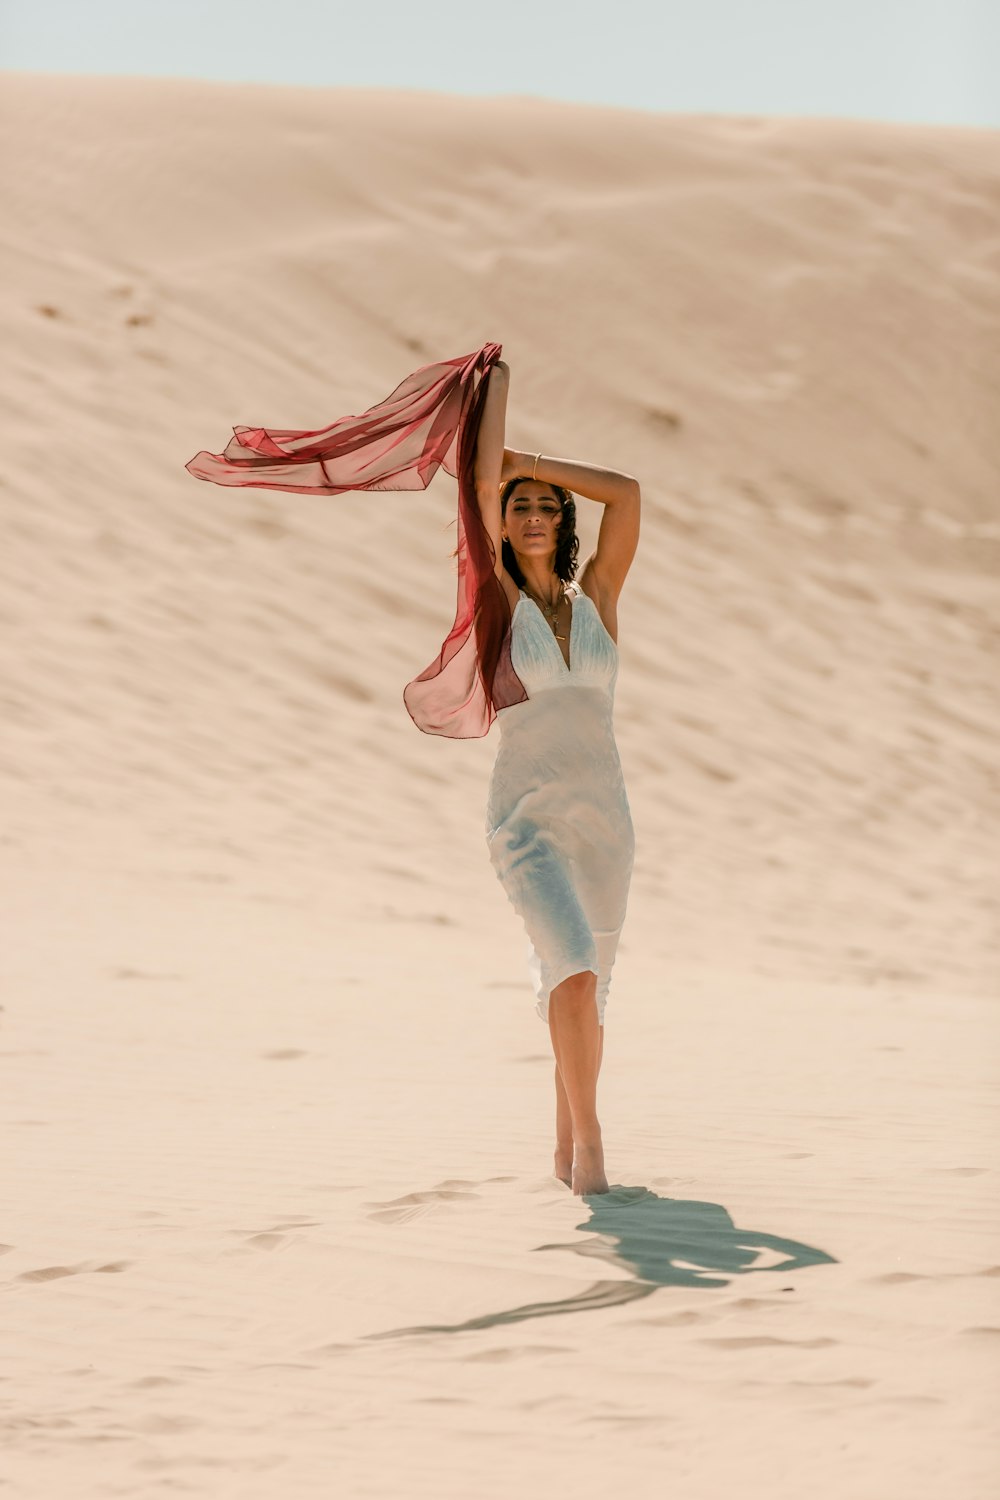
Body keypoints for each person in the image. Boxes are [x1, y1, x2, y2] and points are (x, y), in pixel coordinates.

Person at [473, 360, 641, 1195]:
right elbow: (475, 483)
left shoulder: (598, 597)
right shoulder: (500, 600)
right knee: (569, 965)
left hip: (606, 822)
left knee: (591, 995)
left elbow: (628, 491)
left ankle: (562, 1156)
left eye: (545, 506)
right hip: (529, 820)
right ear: (499, 525)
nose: (534, 513)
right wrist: (495, 393)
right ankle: (594, 1147)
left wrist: (530, 465)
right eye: (520, 505)